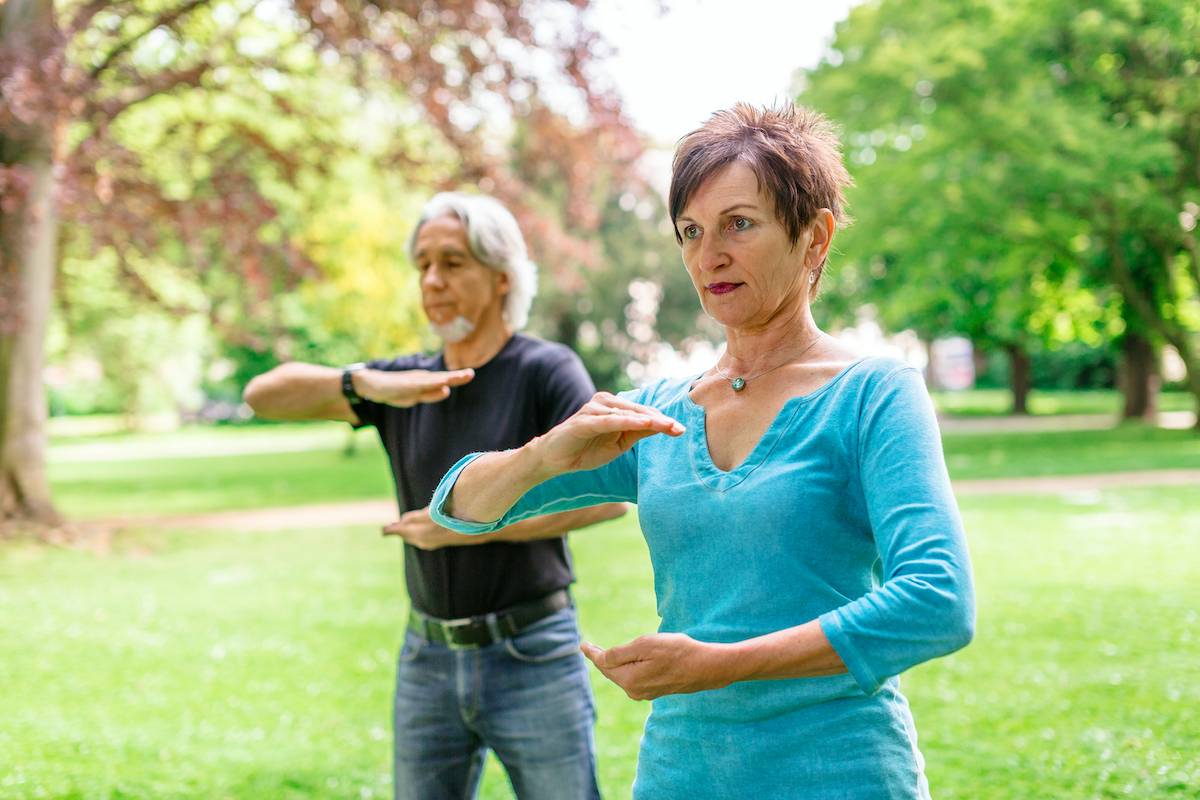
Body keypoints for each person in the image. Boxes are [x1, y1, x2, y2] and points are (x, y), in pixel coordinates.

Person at [427, 104, 976, 800]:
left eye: (738, 224)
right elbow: (459, 509)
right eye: (691, 231)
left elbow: (938, 601)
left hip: (840, 774)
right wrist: (545, 453)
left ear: (814, 237)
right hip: (680, 778)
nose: (708, 255)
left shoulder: (873, 394)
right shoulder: (657, 413)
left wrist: (719, 665)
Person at [243, 191, 626, 800]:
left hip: (532, 653)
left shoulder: (546, 371)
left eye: (452, 262)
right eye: (422, 264)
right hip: (426, 657)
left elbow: (607, 498)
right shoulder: (403, 382)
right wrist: (361, 382)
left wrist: (468, 525)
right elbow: (262, 395)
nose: (432, 280)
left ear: (501, 276)